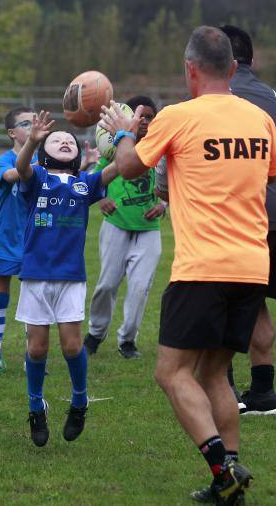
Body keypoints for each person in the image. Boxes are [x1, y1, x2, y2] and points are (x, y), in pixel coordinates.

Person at [100, 26, 276, 504]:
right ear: (234, 69)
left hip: (203, 266)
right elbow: (270, 173)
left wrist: (122, 130)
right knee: (214, 373)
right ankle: (232, 483)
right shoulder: (260, 119)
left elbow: (131, 166)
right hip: (252, 265)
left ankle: (224, 473)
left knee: (171, 372)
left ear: (189, 69)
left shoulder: (179, 116)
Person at [15, 110, 118, 447]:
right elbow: (21, 168)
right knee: (37, 346)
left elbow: (116, 169)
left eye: (69, 140)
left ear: (78, 155)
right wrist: (31, 140)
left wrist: (123, 137)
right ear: (44, 152)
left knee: (72, 345)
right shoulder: (37, 179)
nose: (63, 140)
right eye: (56, 139)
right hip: (35, 275)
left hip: (70, 277)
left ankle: (79, 400)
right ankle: (35, 406)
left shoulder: (85, 184)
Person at [219, 24, 276, 416]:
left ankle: (226, 389)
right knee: (254, 302)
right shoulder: (275, 97)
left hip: (253, 210)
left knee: (219, 298)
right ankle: (264, 394)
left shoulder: (225, 95)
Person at [83, 95, 166, 360]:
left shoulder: (158, 149)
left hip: (148, 228)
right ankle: (96, 333)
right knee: (107, 284)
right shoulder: (115, 146)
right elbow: (97, 179)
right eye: (140, 116)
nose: (144, 122)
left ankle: (128, 340)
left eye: (150, 117)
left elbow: (175, 182)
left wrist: (164, 204)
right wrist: (103, 198)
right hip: (116, 224)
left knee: (140, 288)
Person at [0, 107, 36, 376]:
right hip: (5, 237)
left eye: (34, 122)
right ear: (12, 133)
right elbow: (11, 175)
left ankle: (32, 357)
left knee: (32, 300)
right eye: (25, 123)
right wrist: (37, 163)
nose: (31, 126)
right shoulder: (5, 158)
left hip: (34, 239)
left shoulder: (45, 157)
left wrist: (87, 164)